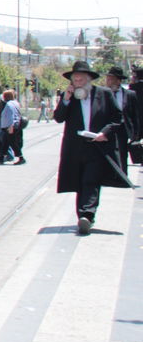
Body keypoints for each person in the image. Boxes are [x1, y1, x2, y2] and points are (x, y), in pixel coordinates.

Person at [53, 60, 131, 235]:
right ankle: (83, 215)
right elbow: (58, 118)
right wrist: (65, 99)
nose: (77, 82)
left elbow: (117, 118)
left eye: (81, 79)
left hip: (97, 146)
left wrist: (105, 133)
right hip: (75, 147)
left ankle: (88, 213)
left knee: (91, 180)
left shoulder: (103, 94)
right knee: (79, 181)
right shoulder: (69, 97)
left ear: (89, 79)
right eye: (75, 80)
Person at [0, 88, 23, 165]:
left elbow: (10, 116)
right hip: (13, 125)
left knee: (12, 143)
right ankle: (1, 157)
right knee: (5, 142)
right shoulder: (15, 103)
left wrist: (11, 126)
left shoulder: (9, 105)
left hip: (10, 126)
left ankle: (21, 157)